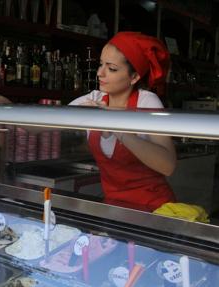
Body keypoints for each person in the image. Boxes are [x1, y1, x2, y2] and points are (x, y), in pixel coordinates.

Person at [69, 31, 176, 211]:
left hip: (154, 209)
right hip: (116, 210)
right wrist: (5, 105)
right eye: (100, 64)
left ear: (134, 77)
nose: (100, 73)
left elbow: (168, 165)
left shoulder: (146, 102)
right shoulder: (95, 98)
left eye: (111, 68)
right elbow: (40, 125)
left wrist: (115, 126)